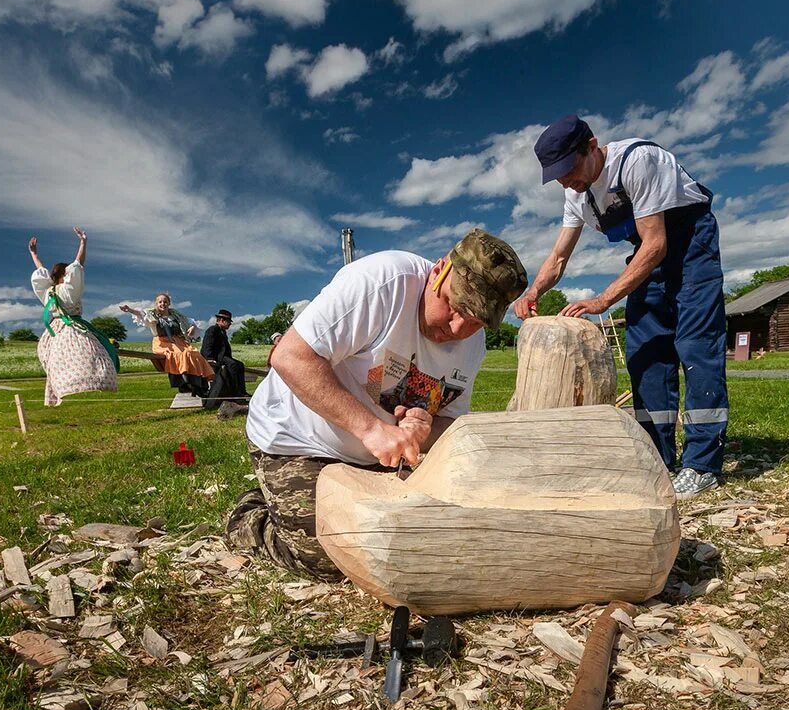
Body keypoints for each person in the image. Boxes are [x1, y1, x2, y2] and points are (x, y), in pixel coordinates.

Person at [228, 228, 526, 580]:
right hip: (297, 440)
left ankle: (290, 502)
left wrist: (423, 427)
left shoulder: (473, 347)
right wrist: (370, 429)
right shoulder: (381, 282)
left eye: (475, 321)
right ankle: (250, 514)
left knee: (415, 544)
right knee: (332, 557)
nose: (457, 326)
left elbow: (448, 423)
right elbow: (291, 358)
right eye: (455, 305)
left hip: (372, 458)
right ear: (439, 270)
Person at [513, 115, 728, 498]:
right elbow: (559, 258)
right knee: (645, 352)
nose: (567, 180)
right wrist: (533, 292)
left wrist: (601, 300)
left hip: (689, 246)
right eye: (558, 175)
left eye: (571, 168)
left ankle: (701, 463)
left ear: (592, 146)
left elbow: (657, 243)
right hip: (646, 254)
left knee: (696, 347)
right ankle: (656, 455)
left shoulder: (638, 161)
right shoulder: (575, 194)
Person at [28, 227, 119, 407]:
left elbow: (41, 272)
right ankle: (93, 383)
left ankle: (60, 389)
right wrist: (83, 242)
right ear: (65, 275)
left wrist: (34, 254)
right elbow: (78, 264)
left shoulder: (48, 292)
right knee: (91, 353)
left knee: (55, 360)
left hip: (53, 331)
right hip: (71, 327)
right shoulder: (69, 290)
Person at [120, 293, 214, 397]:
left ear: (169, 303)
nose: (163, 304)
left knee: (194, 354)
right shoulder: (152, 314)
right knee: (180, 355)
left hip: (178, 342)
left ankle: (201, 385)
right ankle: (186, 384)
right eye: (160, 302)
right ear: (156, 303)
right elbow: (140, 313)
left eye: (165, 301)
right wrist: (129, 309)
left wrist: (192, 327)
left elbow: (191, 322)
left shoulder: (175, 315)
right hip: (162, 343)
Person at [201, 308, 248, 409]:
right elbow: (207, 345)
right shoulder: (212, 330)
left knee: (240, 365)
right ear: (221, 320)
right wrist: (209, 359)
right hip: (217, 358)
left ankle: (241, 391)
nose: (230, 324)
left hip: (223, 357)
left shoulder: (223, 333)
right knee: (233, 365)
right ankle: (235, 393)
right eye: (228, 322)